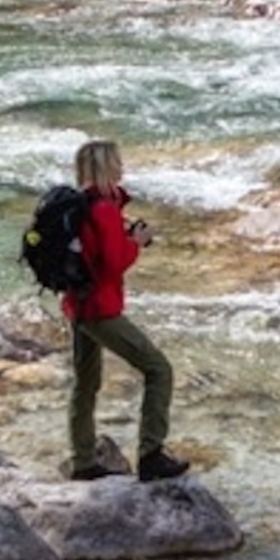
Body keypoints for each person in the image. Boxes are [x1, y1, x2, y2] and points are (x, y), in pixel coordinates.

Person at [63, 138, 188, 483]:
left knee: (85, 384)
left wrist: (125, 236)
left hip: (77, 304)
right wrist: (137, 242)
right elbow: (113, 264)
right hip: (100, 308)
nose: (122, 166)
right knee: (159, 369)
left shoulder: (78, 204)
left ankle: (83, 461)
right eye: (118, 161)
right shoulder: (103, 209)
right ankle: (151, 454)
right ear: (106, 166)